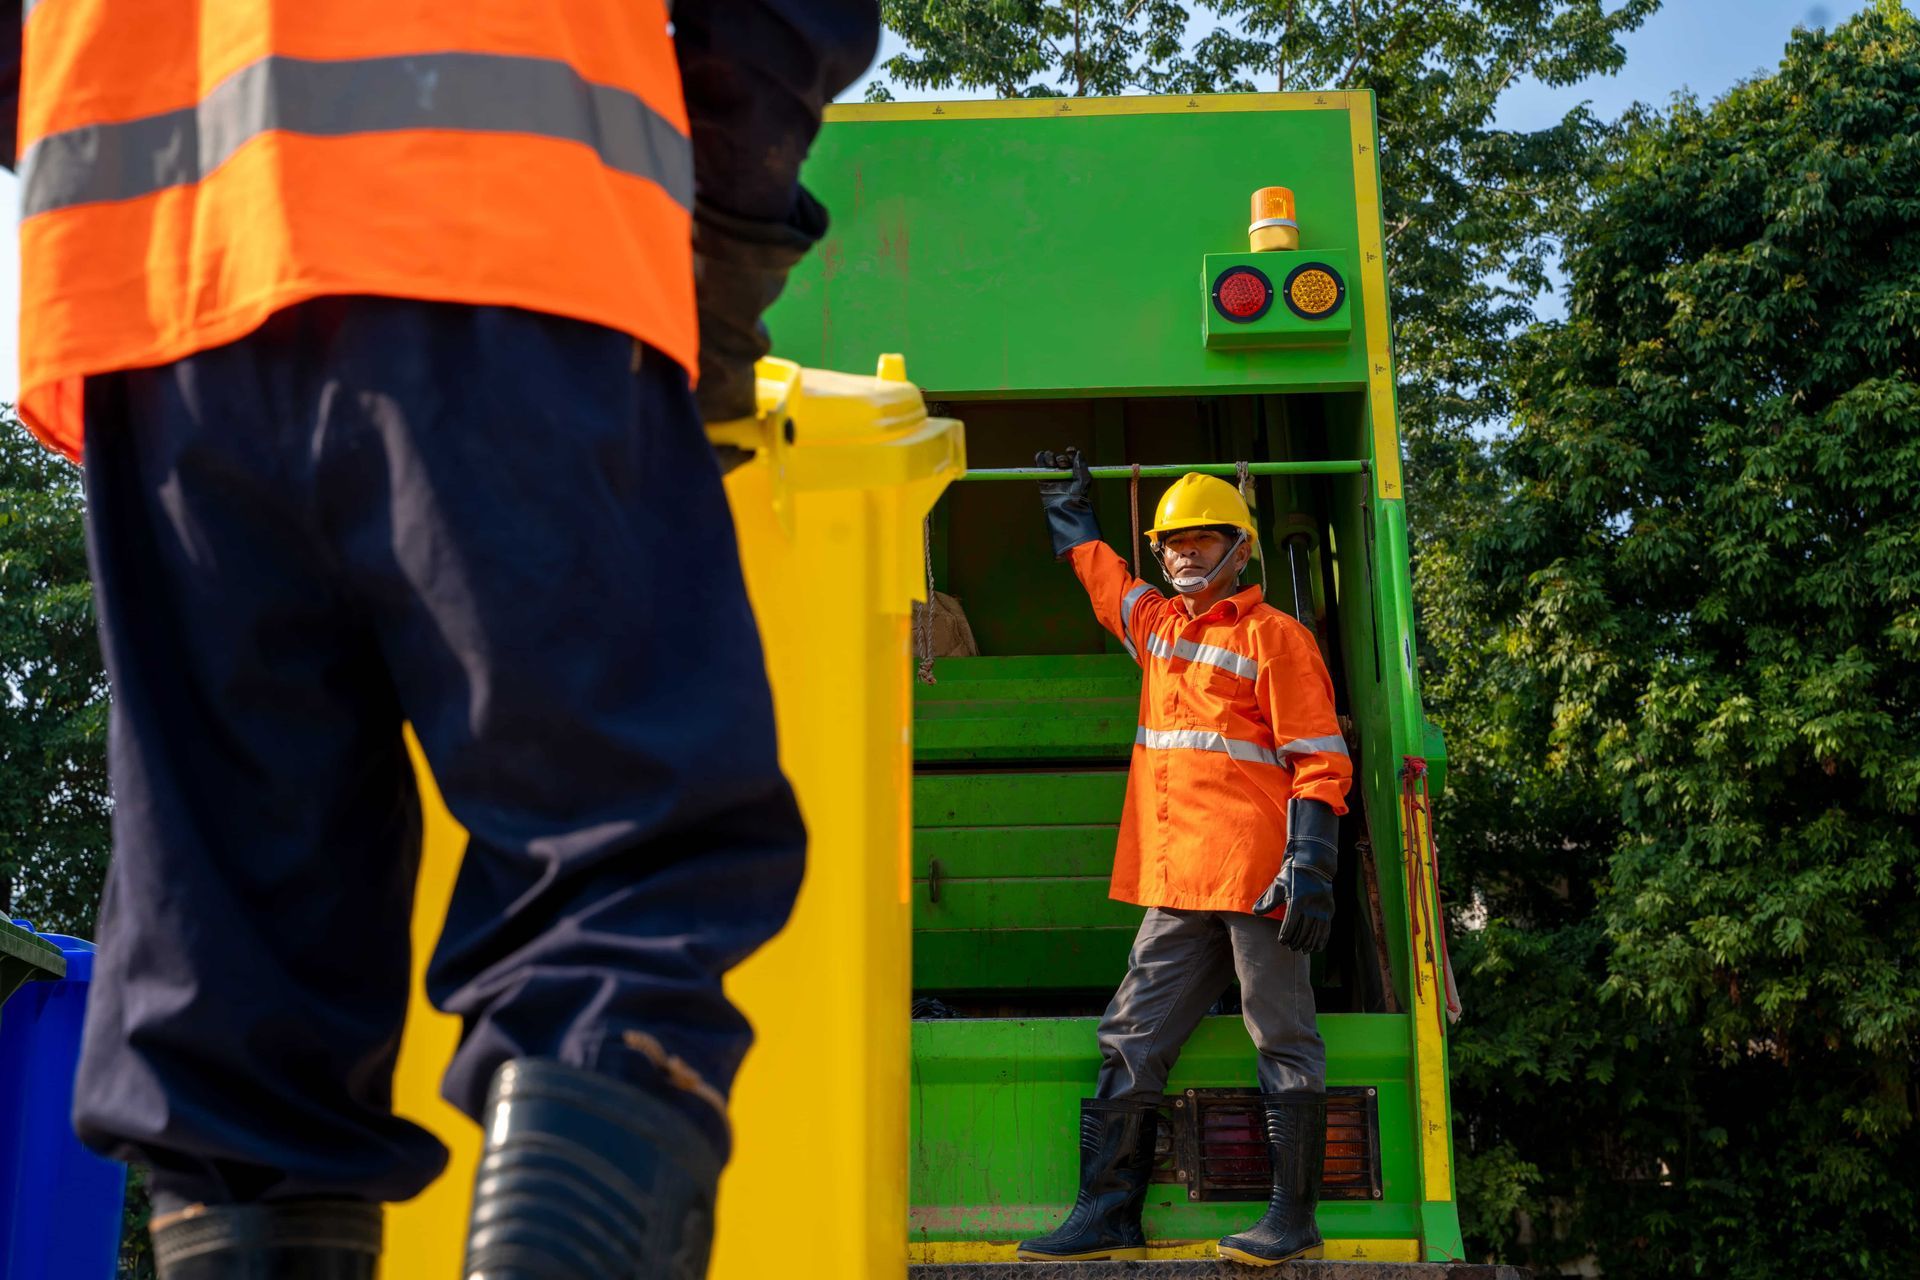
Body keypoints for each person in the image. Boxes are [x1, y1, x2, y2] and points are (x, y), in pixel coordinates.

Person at [1, 0, 877, 1276]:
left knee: (238, 976)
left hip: (158, 295)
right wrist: (725, 233)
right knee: (617, 883)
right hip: (503, 221)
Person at [1020, 448, 1352, 1267]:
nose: (1181, 554)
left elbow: (1319, 758)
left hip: (1257, 878)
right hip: (1177, 881)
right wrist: (1071, 517)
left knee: (1282, 1039)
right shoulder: (1161, 630)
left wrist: (1311, 864)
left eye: (1202, 540)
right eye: (1170, 543)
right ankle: (1107, 1215)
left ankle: (1292, 1220)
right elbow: (1109, 586)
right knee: (1131, 1036)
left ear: (1242, 549)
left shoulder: (1277, 638)